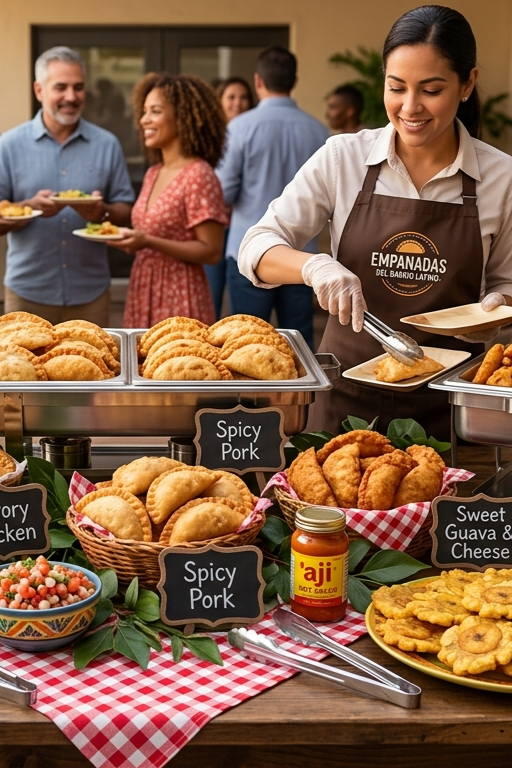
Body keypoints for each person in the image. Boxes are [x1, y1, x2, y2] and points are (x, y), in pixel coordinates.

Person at [238, 5, 512, 440]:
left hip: (452, 408)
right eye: (396, 87)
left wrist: (499, 306)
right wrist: (314, 267)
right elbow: (256, 247)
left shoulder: (501, 178)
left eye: (431, 90)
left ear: (467, 84)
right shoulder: (342, 158)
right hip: (345, 402)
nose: (410, 107)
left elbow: (505, 282)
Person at [0, 46, 134, 326]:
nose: (71, 97)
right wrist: (26, 209)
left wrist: (101, 213)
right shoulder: (8, 146)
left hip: (90, 294)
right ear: (39, 90)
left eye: (79, 87)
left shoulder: (106, 144)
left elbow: (125, 211)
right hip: (27, 293)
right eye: (60, 87)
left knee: (96, 369)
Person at [217, 46, 328, 349]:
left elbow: (224, 192)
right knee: (300, 342)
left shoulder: (238, 128)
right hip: (301, 255)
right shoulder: (319, 132)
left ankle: (249, 398)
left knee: (246, 342)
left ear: (258, 81)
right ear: (294, 80)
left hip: (248, 251)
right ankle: (302, 397)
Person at [110, 73, 228, 328]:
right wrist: (133, 242)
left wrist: (147, 241)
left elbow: (212, 251)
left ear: (183, 117)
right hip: (144, 287)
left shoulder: (199, 174)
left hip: (180, 295)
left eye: (155, 111)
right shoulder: (154, 172)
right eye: (144, 111)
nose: (144, 120)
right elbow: (148, 234)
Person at [205, 77, 254, 320]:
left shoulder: (252, 131)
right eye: (231, 97)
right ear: (220, 102)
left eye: (243, 97)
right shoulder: (208, 138)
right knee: (211, 291)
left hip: (241, 226)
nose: (238, 103)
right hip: (215, 225)